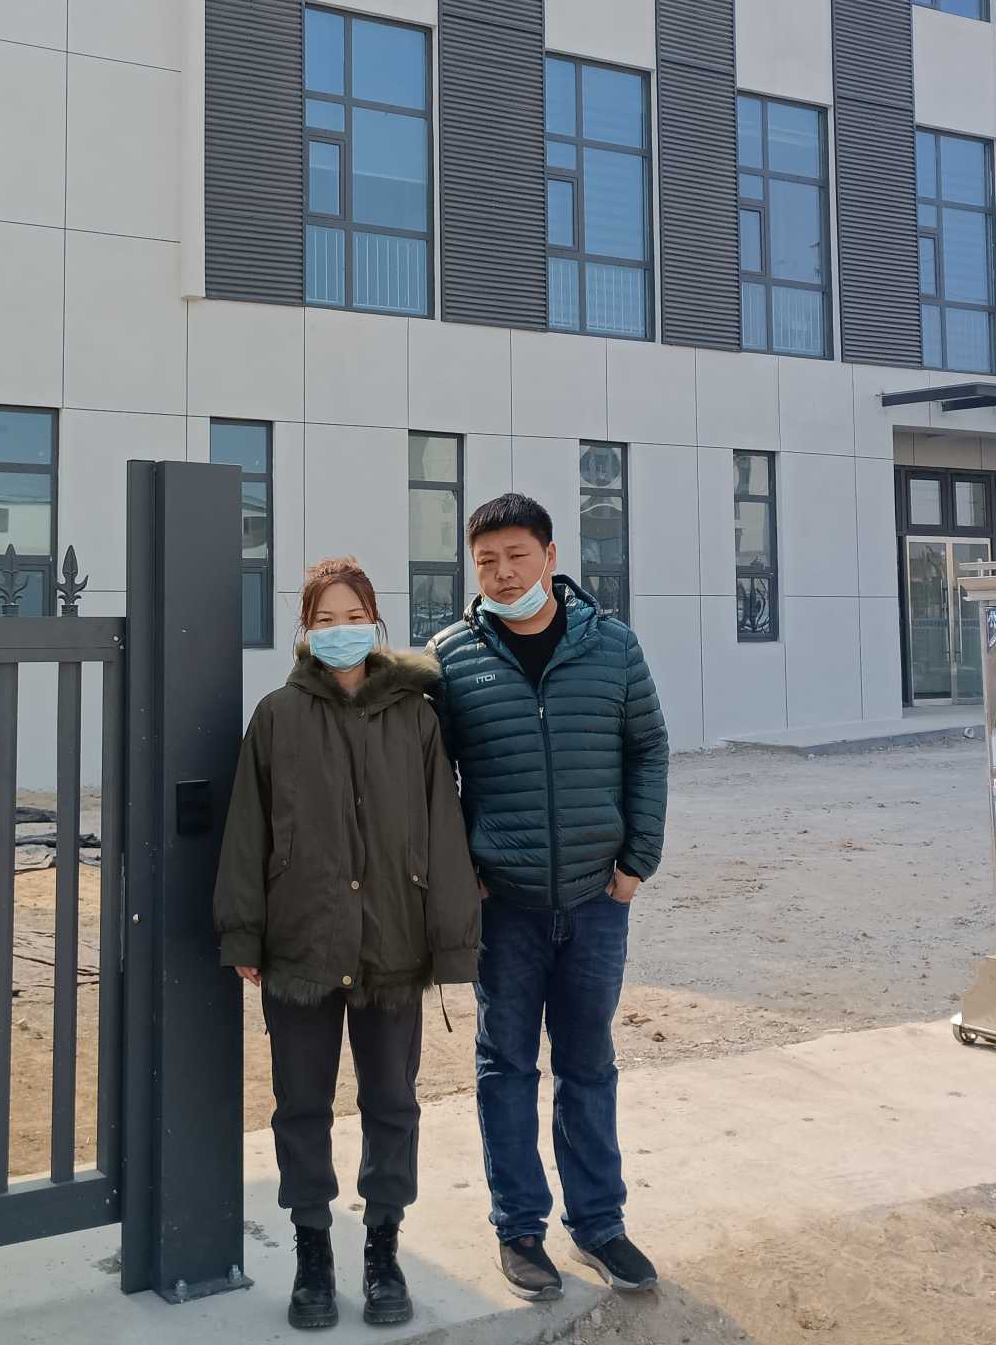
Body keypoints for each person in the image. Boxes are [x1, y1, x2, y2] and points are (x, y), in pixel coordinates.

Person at [216, 557, 480, 1330]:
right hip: (300, 941)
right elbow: (248, 831)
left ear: (376, 622)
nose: (340, 631)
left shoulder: (417, 718)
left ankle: (384, 1248)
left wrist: (452, 942)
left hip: (393, 942)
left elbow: (443, 828)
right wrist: (243, 930)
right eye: (324, 620)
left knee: (392, 1101)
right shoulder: (276, 717)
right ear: (305, 630)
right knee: (301, 1105)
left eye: (353, 617)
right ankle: (312, 1254)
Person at [428, 493, 668, 1302]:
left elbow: (649, 748)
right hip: (506, 905)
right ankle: (519, 1230)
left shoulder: (613, 646)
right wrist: (462, 867)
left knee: (588, 1063)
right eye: (486, 561)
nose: (502, 574)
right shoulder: (452, 656)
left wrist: (637, 861)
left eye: (516, 557)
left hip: (598, 898)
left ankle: (599, 1225)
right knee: (505, 1067)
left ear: (551, 557)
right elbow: (432, 776)